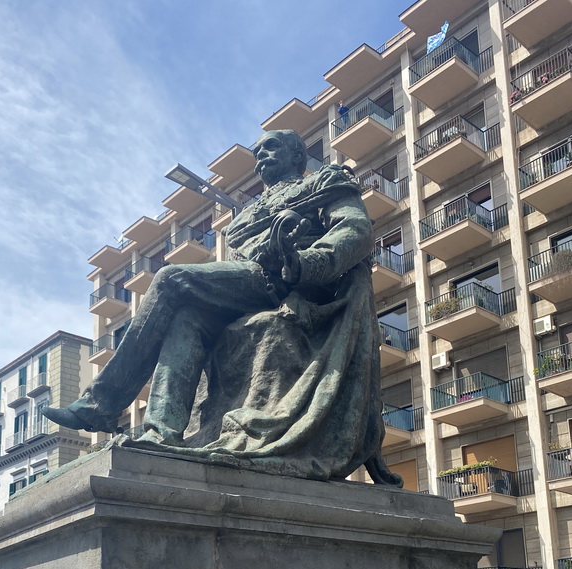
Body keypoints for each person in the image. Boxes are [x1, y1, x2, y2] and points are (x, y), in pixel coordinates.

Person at [44, 128, 400, 484]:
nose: (262, 156)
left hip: (290, 279)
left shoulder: (322, 182)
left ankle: (102, 404)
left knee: (171, 279)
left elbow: (354, 230)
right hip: (248, 286)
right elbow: (237, 261)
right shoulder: (246, 214)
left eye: (272, 148)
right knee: (186, 318)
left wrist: (305, 263)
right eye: (258, 151)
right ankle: (161, 431)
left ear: (297, 156)